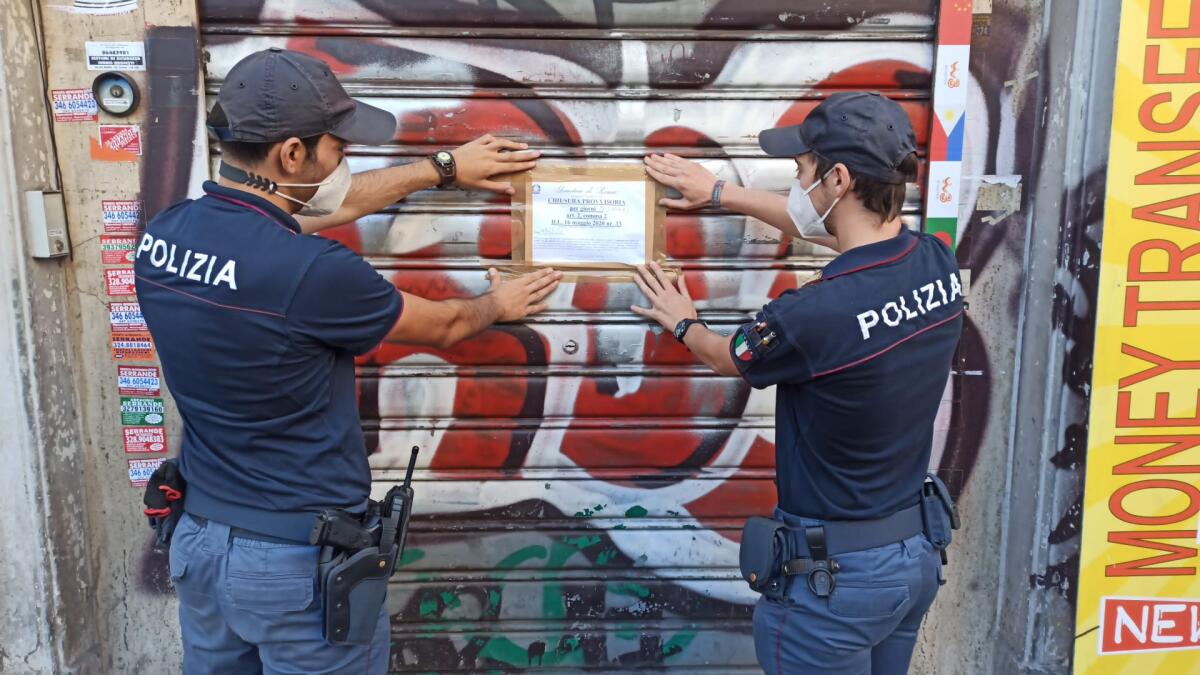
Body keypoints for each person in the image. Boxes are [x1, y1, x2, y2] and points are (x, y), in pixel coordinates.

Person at [134, 48, 560, 674]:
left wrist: (440, 168)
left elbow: (324, 208)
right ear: (292, 154)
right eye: (338, 146)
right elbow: (444, 325)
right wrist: (499, 303)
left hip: (200, 544)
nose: (345, 160)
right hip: (291, 565)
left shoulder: (166, 233)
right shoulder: (313, 272)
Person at [636, 92, 963, 674]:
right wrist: (719, 192)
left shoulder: (811, 315)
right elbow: (843, 236)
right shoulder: (935, 262)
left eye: (802, 169)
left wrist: (683, 322)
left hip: (836, 588)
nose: (796, 182)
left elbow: (727, 358)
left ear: (837, 179)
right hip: (911, 561)